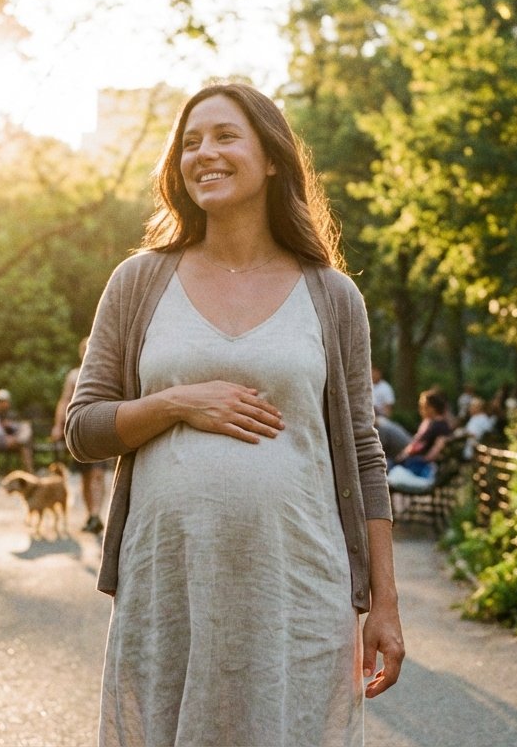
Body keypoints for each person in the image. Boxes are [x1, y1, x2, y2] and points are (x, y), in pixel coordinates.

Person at [65, 82, 404, 746]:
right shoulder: (140, 282)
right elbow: (83, 429)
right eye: (190, 142)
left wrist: (383, 604)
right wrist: (176, 402)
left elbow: (363, 454)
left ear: (272, 158)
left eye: (224, 136)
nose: (204, 153)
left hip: (298, 586)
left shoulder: (332, 296)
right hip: (171, 584)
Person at [50, 336, 107, 535]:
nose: (87, 352)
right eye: (84, 349)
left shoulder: (105, 371)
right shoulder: (74, 375)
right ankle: (90, 515)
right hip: (79, 429)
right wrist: (58, 425)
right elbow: (64, 401)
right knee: (85, 476)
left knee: (98, 474)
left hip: (100, 429)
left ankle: (96, 514)